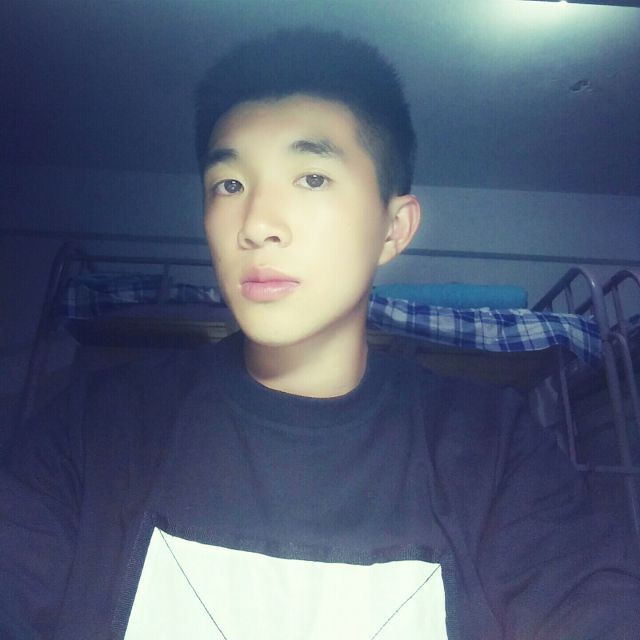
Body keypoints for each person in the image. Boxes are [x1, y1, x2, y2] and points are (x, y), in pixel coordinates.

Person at [1, 28, 639, 640]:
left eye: (311, 177)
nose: (257, 223)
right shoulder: (94, 427)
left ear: (394, 228)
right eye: (230, 184)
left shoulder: (494, 449)